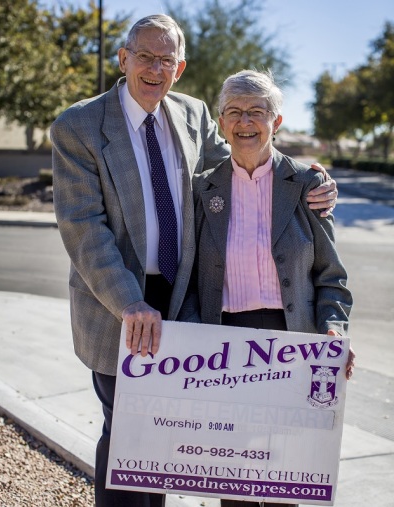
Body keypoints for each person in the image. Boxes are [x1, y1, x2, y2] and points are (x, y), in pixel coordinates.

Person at [51, 14, 338, 507]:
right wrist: (130, 304)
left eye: (166, 59)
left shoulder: (192, 113)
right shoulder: (79, 126)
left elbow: (243, 156)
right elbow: (83, 229)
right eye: (145, 55)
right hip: (119, 296)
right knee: (127, 434)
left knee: (163, 440)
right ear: (124, 59)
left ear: (179, 68)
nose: (155, 68)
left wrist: (307, 179)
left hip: (186, 297)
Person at [180, 69, 355, 507]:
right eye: (234, 112)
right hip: (225, 348)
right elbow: (188, 275)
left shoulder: (307, 185)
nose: (245, 122)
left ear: (276, 121)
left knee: (283, 482)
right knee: (233, 482)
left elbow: (331, 276)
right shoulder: (203, 188)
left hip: (292, 344)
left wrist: (333, 329)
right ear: (221, 122)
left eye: (257, 112)